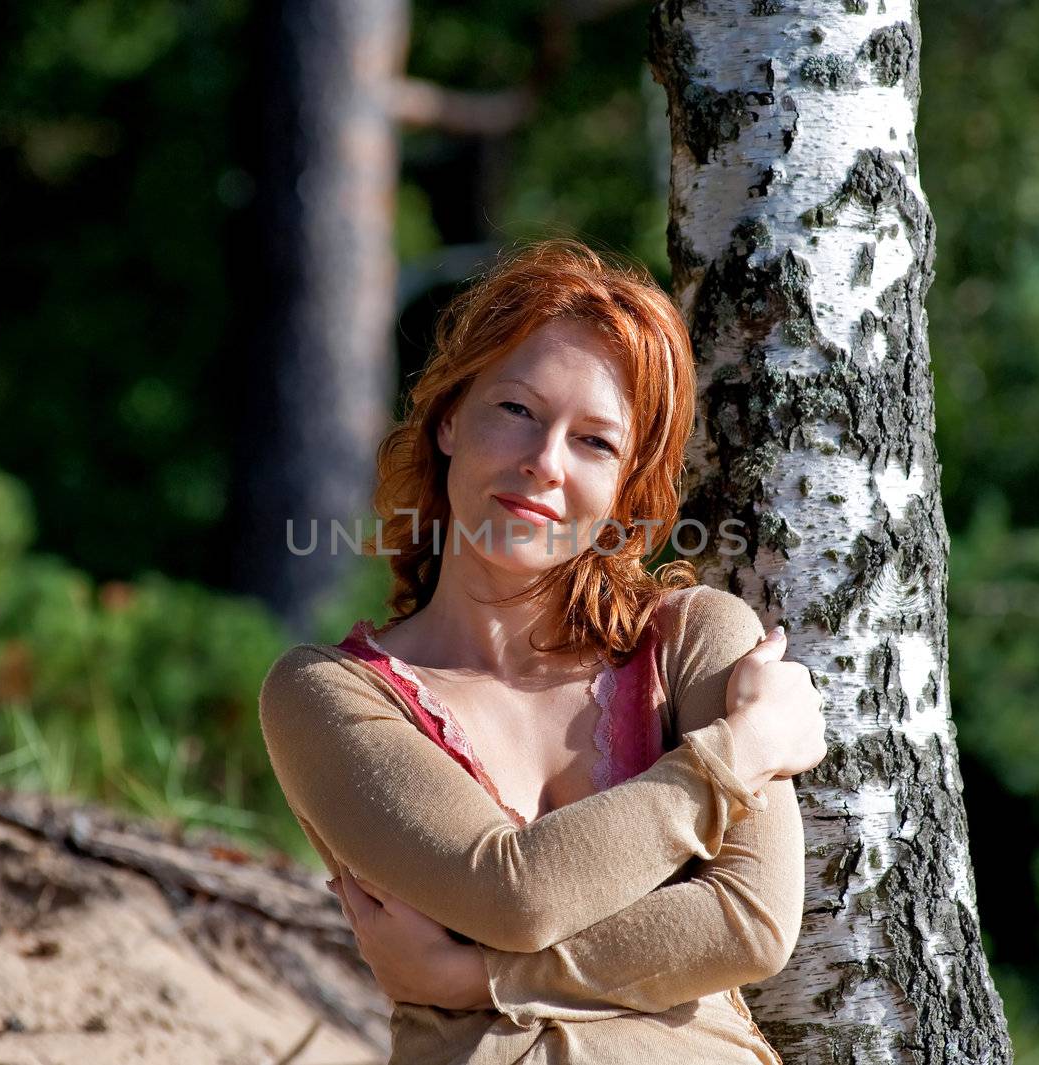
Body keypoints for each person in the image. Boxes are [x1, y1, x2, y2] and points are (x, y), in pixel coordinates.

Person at [258, 239, 827, 1063]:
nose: (543, 464)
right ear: (451, 417)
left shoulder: (696, 644)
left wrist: (480, 981)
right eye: (517, 410)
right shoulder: (329, 695)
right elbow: (511, 891)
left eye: (595, 442)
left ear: (626, 487)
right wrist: (732, 758)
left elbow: (750, 922)